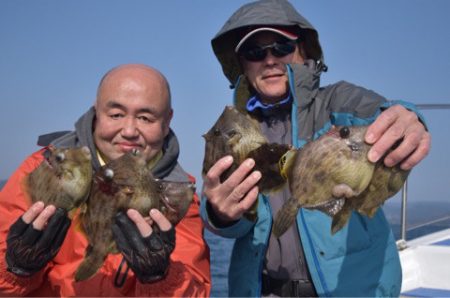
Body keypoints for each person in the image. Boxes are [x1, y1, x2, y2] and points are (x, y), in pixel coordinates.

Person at [200, 0, 431, 297]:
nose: (269, 59)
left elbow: (381, 113)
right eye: (254, 52)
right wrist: (221, 214)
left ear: (304, 50)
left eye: (281, 46)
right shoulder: (232, 132)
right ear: (242, 64)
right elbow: (221, 215)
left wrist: (410, 118)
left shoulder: (338, 101)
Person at [0, 64, 211, 296]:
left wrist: (159, 278)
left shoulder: (177, 193)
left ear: (167, 120)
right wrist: (15, 268)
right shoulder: (45, 167)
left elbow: (195, 288)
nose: (129, 130)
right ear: (97, 111)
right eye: (116, 115)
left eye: (145, 118)